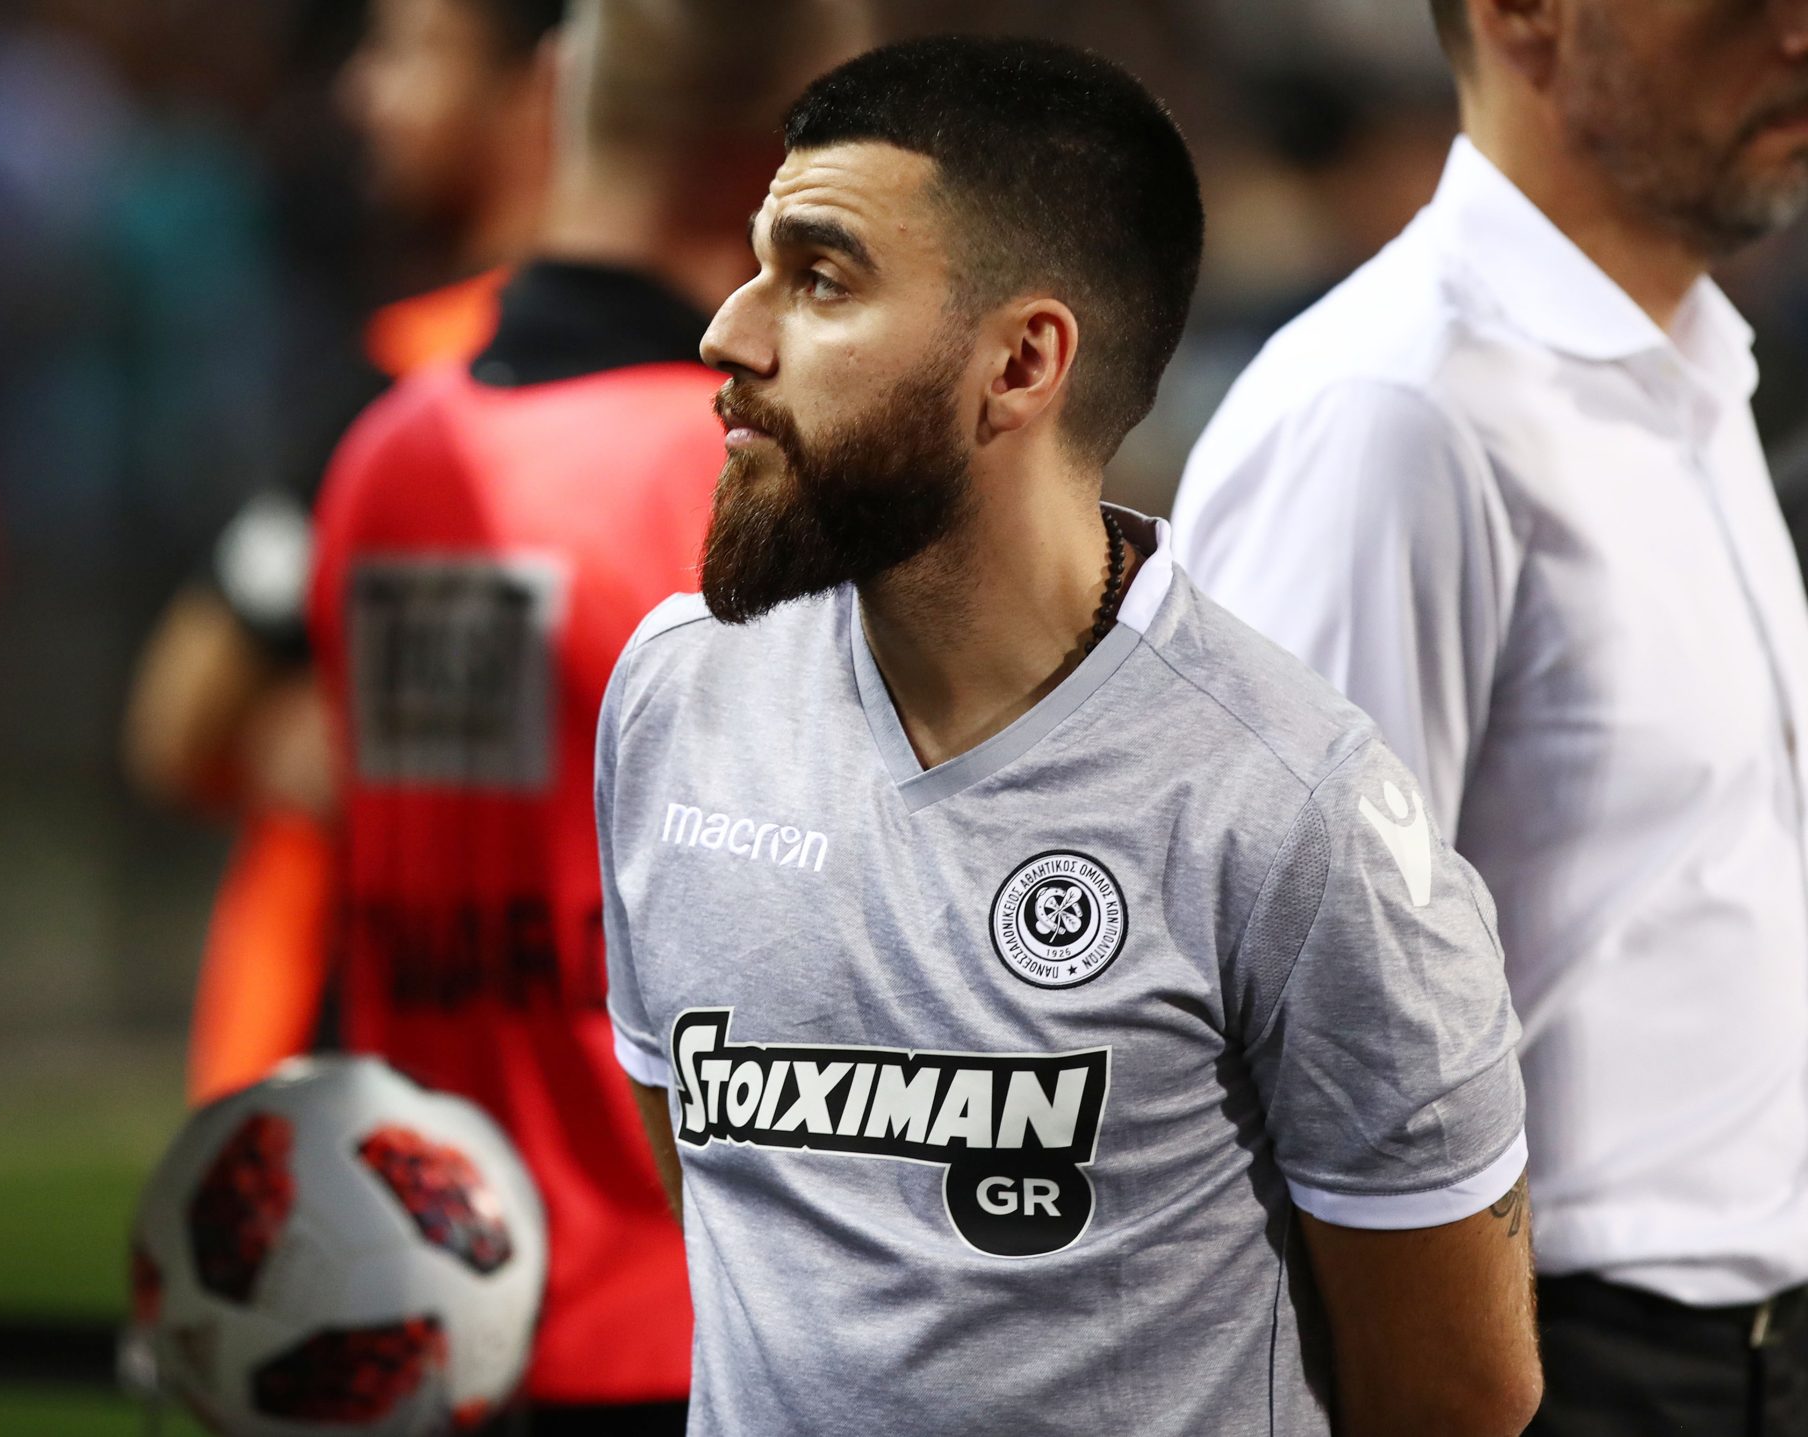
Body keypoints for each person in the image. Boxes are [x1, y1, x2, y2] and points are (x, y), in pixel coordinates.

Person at [598, 35, 1541, 1437]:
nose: (730, 333)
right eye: (756, 267)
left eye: (820, 278)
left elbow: (1455, 1393)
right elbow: (736, 1217)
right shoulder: (674, 697)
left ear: (1022, 363)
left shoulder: (1291, 806)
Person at [1171, 1, 1808, 1432]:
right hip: (1544, 1364)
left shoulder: (1689, 376)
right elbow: (1290, 1035)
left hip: (1743, 1350)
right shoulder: (1394, 412)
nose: (1797, 31)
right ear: (1527, 14)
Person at [308, 3, 870, 1430]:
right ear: (784, 163)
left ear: (564, 91)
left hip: (427, 1318)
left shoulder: (388, 451)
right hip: (692, 1335)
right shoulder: (733, 474)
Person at [122, 0, 565, 1106]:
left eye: (413, 54)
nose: (363, 94)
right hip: (452, 1077)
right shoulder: (712, 359)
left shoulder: (418, 383)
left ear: (545, 87)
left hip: (375, 1095)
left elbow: (178, 725)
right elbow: (179, 724)